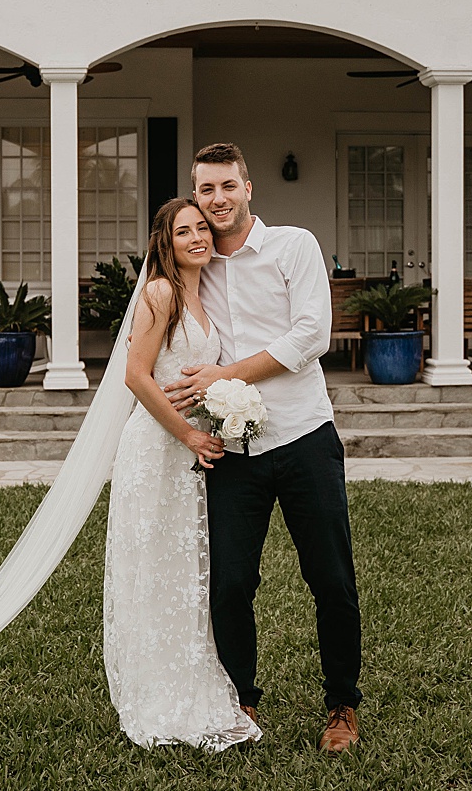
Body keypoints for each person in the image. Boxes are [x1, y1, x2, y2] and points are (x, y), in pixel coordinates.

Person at [163, 142, 364, 753]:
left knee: (329, 578)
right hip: (233, 452)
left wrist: (227, 377)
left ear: (248, 188)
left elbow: (312, 335)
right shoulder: (191, 266)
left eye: (227, 186)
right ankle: (240, 702)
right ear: (195, 195)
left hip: (304, 438)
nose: (216, 200)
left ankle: (342, 707)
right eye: (205, 190)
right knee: (229, 584)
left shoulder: (292, 246)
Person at [104, 197, 260, 751]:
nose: (196, 237)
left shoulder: (203, 293)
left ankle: (190, 677)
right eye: (182, 231)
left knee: (187, 569)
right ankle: (156, 692)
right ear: (164, 243)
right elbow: (136, 376)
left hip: (187, 454)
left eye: (201, 228)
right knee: (156, 568)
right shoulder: (162, 292)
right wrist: (189, 434)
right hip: (156, 447)